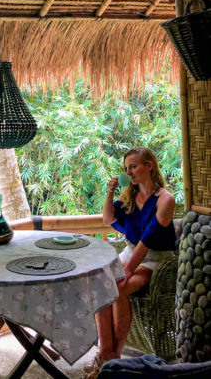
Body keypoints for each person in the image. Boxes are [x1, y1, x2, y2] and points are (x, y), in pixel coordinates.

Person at [84, 147, 176, 379]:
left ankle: (110, 358)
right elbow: (108, 219)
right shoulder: (130, 197)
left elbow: (147, 241)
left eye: (133, 167)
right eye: (126, 168)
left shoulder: (166, 199)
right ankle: (107, 354)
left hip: (156, 258)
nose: (129, 172)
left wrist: (126, 270)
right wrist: (109, 191)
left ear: (149, 166)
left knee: (119, 287)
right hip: (130, 251)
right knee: (100, 285)